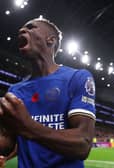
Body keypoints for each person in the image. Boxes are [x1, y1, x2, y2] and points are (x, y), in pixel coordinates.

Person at [0, 17, 96, 168]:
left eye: (31, 27)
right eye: (23, 28)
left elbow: (83, 144)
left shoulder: (77, 78)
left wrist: (28, 126)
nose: (22, 30)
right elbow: (7, 142)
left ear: (50, 40)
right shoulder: (15, 90)